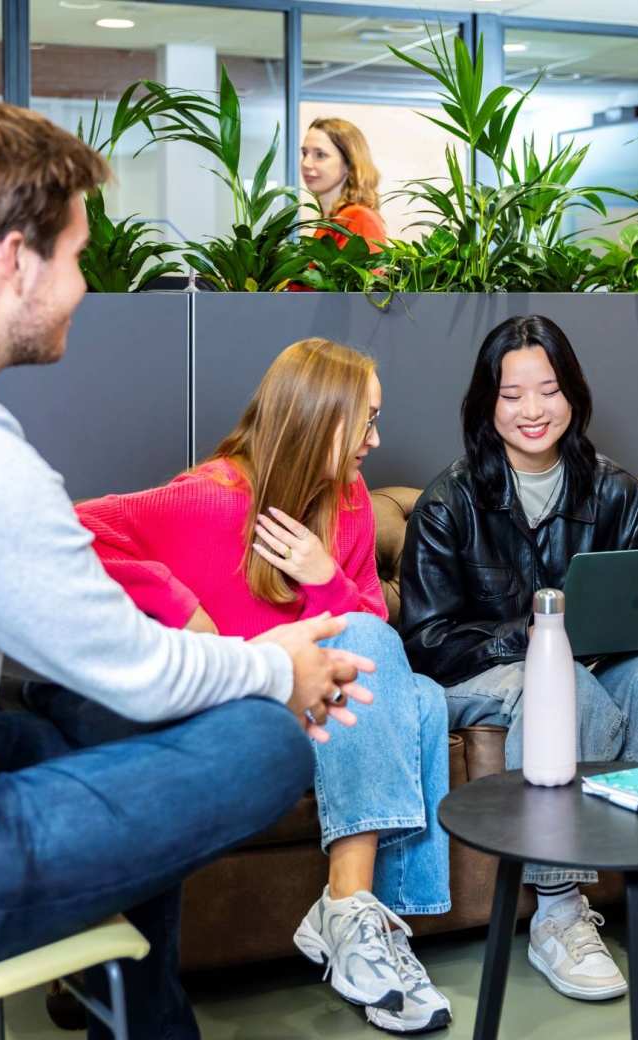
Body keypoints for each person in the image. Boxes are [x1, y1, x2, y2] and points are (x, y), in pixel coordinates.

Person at [0, 102, 375, 1040]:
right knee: (261, 743)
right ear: (12, 259)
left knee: (71, 734)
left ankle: (130, 1013)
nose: (85, 284)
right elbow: (139, 664)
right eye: (78, 256)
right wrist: (279, 668)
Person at [35, 338, 452, 1035]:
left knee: (427, 698)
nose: (376, 441)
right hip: (242, 705)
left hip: (323, 699)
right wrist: (180, 607)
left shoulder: (347, 501)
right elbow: (72, 526)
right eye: (366, 421)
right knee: (405, 690)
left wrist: (325, 576)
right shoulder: (210, 498)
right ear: (319, 419)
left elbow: (374, 632)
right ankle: (354, 924)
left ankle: (370, 922)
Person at [399, 314, 638, 1003]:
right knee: (557, 683)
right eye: (512, 395)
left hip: (593, 667)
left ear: (573, 394)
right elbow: (428, 644)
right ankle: (558, 907)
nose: (532, 411)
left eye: (548, 390)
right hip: (477, 677)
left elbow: (636, 617)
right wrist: (537, 636)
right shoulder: (448, 503)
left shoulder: (616, 492)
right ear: (487, 405)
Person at [301, 117, 387, 252]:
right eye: (304, 153)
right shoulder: (329, 221)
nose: (306, 163)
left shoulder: (359, 218)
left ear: (349, 163)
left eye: (320, 155)